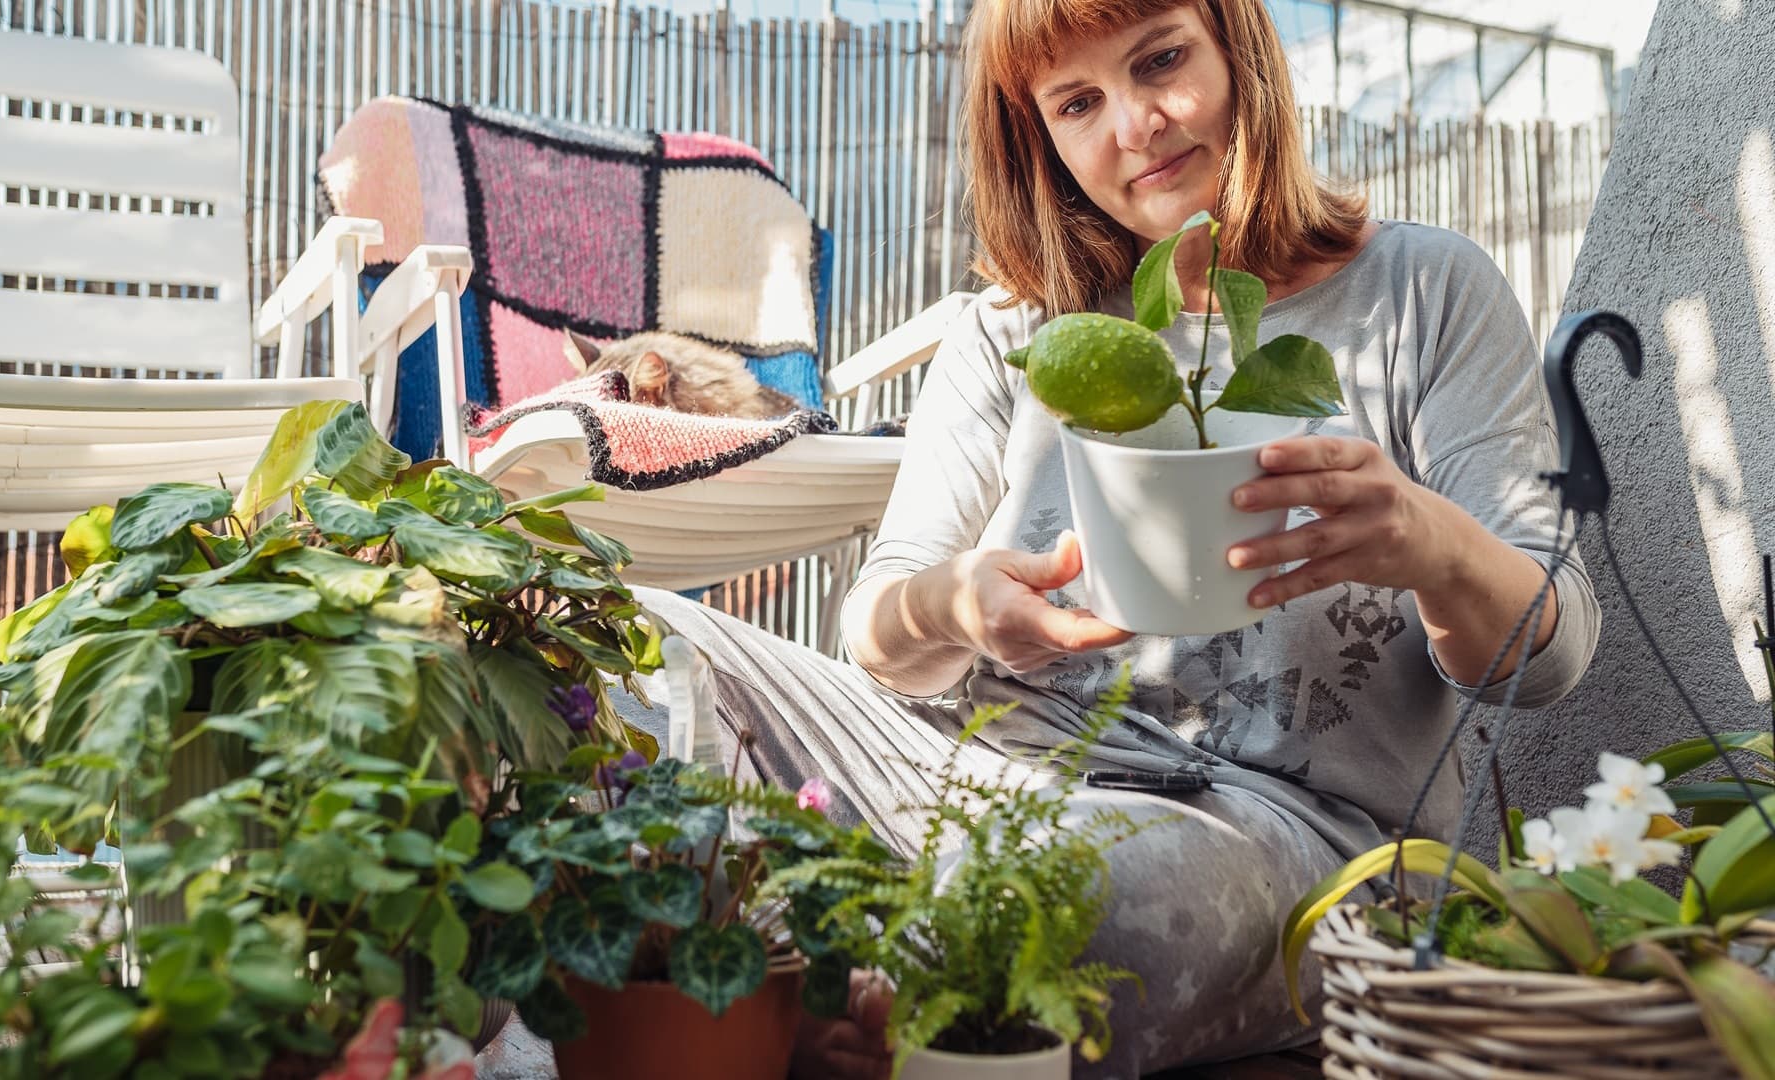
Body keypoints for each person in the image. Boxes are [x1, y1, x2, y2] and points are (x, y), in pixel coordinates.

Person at [623, 0, 1600, 1074]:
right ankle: (866, 997)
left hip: (1283, 836)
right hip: (972, 779)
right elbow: (879, 625)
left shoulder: (1420, 291)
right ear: (1036, 136)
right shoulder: (1009, 331)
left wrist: (1430, 542)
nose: (1135, 125)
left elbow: (1547, 656)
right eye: (1078, 102)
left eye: (1163, 60)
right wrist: (954, 607)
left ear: (1240, 54)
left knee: (1056, 899)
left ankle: (823, 997)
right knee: (625, 634)